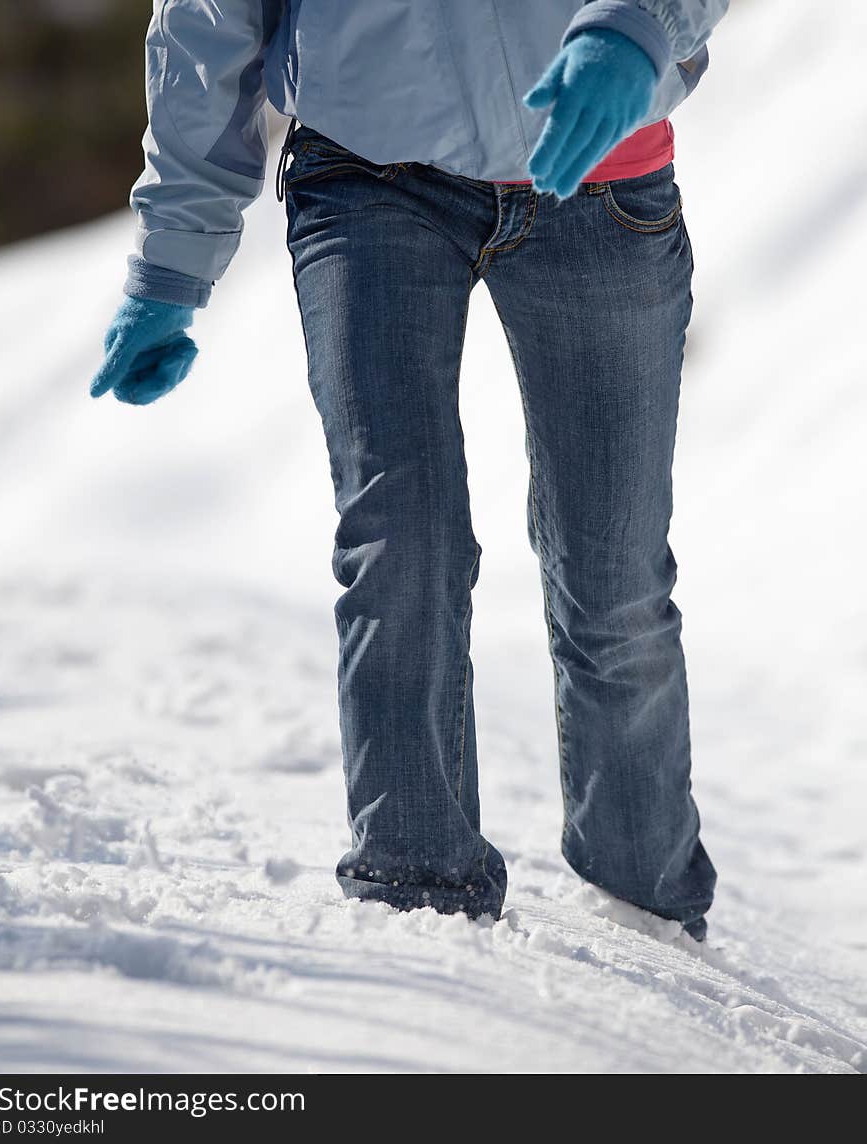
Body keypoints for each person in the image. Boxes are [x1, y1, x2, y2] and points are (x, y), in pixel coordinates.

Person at [91, 2, 729, 941]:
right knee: (402, 543)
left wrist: (640, 24)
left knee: (613, 578)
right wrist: (172, 262)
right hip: (365, 178)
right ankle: (417, 903)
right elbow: (209, 16)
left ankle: (644, 909)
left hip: (597, 172)